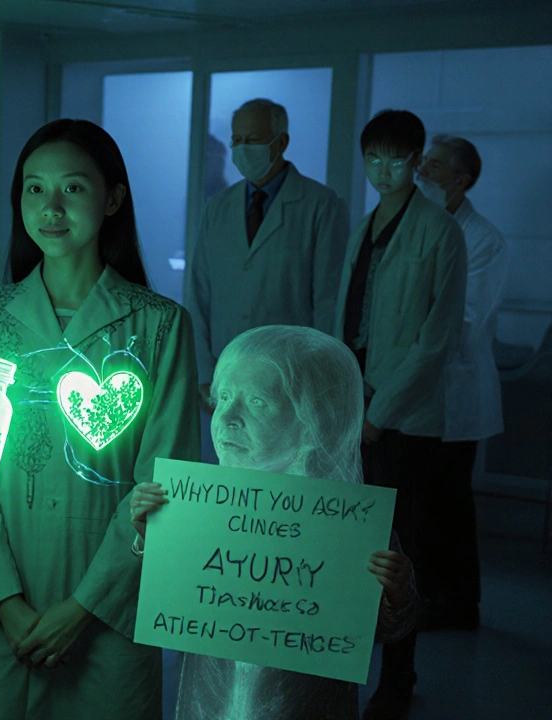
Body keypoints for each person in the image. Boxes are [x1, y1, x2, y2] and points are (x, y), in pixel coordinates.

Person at [0, 118, 202, 720]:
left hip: (108, 617)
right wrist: (6, 603)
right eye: (34, 189)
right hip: (0, 617)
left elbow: (164, 486)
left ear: (113, 198)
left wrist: (84, 608)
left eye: (73, 189)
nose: (50, 208)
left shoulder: (161, 325)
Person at [130, 325, 417, 720]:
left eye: (258, 403)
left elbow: (382, 630)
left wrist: (396, 595)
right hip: (206, 702)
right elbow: (175, 593)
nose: (227, 417)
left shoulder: (350, 525)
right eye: (224, 397)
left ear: (315, 420)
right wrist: (153, 536)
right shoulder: (202, 506)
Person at [336, 109, 467, 720]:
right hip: (354, 411)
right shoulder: (364, 227)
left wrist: (380, 413)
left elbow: (434, 343)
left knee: (399, 553)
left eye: (397, 158)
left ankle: (398, 678)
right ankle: (343, 660)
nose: (384, 170)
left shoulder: (440, 232)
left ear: (417, 161)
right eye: (374, 158)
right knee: (352, 545)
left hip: (404, 423)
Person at [187, 98, 350, 415]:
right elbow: (198, 296)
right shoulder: (218, 209)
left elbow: (329, 304)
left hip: (291, 379)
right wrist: (205, 374)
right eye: (237, 140)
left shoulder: (321, 205)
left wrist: (314, 381)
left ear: (282, 142)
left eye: (254, 140)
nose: (243, 148)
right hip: (226, 375)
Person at [414, 134, 507, 632]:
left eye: (433, 166)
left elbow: (465, 322)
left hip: (457, 394)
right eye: (422, 163)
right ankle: (426, 598)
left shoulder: (484, 240)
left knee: (449, 501)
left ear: (461, 179)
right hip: (420, 390)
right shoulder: (420, 225)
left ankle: (458, 605)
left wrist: (415, 334)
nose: (420, 173)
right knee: (424, 502)